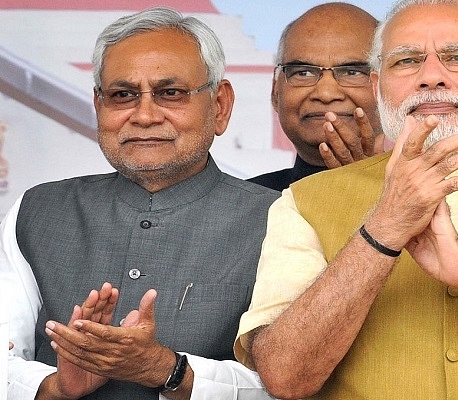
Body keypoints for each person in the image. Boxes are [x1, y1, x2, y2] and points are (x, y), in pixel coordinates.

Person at [234, 0, 458, 399]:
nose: (430, 78)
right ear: (377, 87)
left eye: (457, 58)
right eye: (406, 61)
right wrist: (383, 230)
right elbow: (284, 377)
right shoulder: (304, 202)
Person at [1, 7, 278, 400]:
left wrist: (169, 370)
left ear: (219, 106)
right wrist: (56, 387)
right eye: (123, 95)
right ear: (99, 106)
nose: (144, 115)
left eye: (170, 93)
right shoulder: (38, 211)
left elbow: (293, 382)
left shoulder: (280, 220)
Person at [248, 2, 384, 191]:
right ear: (275, 92)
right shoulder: (240, 205)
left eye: (352, 72)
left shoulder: (429, 197)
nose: (326, 94)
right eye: (303, 73)